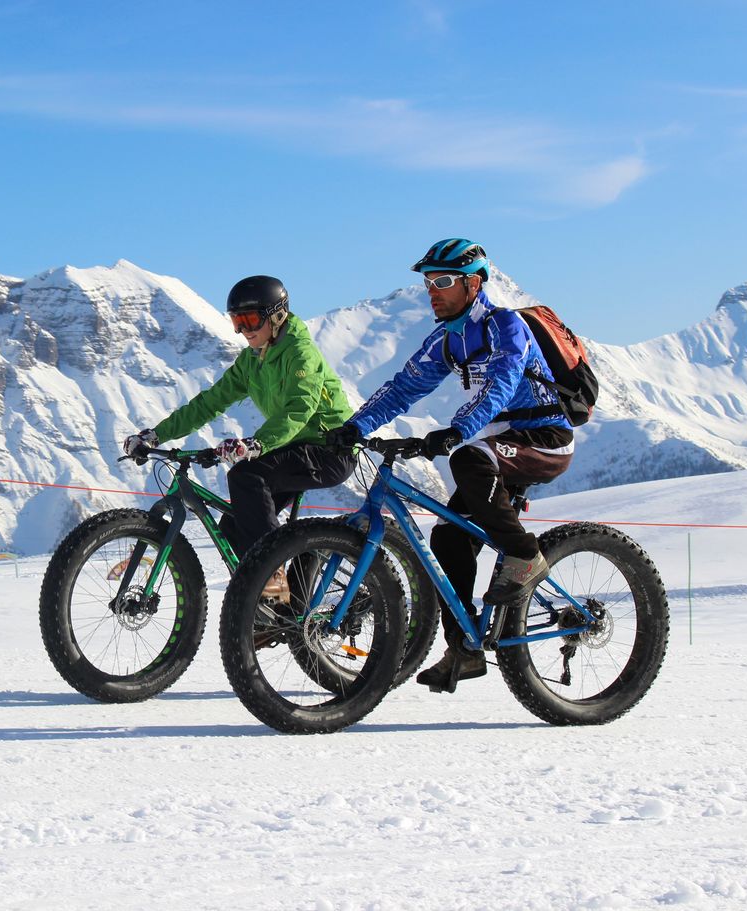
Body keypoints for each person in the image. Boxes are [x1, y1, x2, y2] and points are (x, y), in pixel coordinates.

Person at [325, 239, 574, 693]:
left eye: (442, 281)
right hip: (500, 444)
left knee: (468, 458)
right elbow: (403, 388)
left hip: (544, 440)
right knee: (448, 535)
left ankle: (525, 556)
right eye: (427, 282)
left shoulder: (505, 326)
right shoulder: (449, 338)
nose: (432, 291)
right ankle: (464, 648)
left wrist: (458, 429)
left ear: (473, 282)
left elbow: (500, 386)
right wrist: (354, 428)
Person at [123, 276, 356, 596]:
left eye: (249, 319)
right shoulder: (252, 360)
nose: (243, 330)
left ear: (276, 315)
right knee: (234, 526)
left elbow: (299, 409)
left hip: (329, 448)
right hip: (292, 447)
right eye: (236, 321)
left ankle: (272, 574)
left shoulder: (300, 353)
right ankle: (271, 613)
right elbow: (209, 403)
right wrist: (156, 434)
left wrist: (258, 444)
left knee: (246, 476)